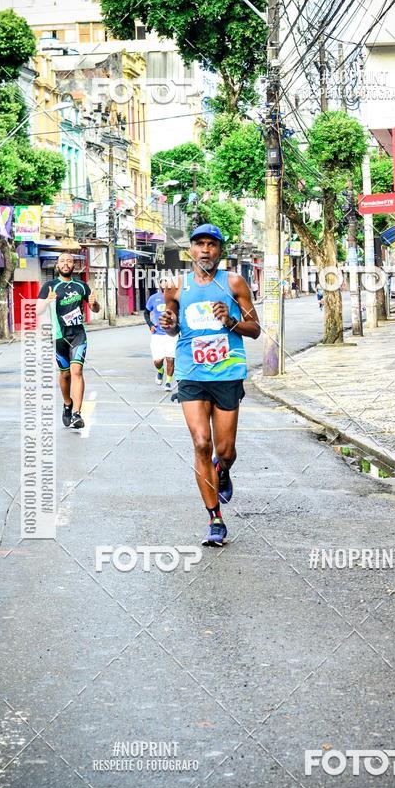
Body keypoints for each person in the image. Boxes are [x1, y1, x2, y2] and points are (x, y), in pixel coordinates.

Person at [160, 224, 260, 547]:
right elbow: (172, 327)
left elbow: (255, 329)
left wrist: (231, 321)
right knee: (201, 443)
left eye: (212, 244)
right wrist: (168, 324)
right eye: (200, 244)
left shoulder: (234, 283)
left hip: (227, 373)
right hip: (191, 373)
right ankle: (215, 518)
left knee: (224, 451)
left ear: (220, 250)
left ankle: (223, 469)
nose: (205, 249)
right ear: (191, 249)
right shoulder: (176, 286)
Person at [37, 253, 101, 429]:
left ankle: (77, 414)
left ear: (74, 265)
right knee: (65, 374)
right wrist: (47, 300)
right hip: (59, 337)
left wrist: (94, 303)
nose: (66, 264)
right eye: (62, 261)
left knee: (77, 371)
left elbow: (95, 309)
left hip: (78, 335)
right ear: (57, 265)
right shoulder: (49, 286)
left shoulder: (81, 286)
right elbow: (38, 310)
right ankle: (67, 404)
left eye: (69, 261)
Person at [145, 278, 176, 391]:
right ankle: (160, 370)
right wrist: (150, 325)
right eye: (163, 283)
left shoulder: (174, 298)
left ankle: (168, 382)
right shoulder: (153, 298)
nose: (165, 285)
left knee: (170, 359)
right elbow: (146, 312)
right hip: (157, 335)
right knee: (158, 361)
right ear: (159, 285)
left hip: (171, 334)